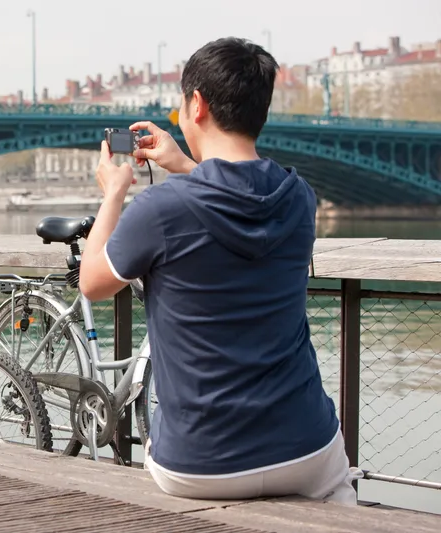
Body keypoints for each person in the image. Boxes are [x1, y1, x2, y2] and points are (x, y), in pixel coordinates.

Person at [79, 37, 361, 505]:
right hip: (305, 444)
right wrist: (186, 165)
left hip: (200, 462)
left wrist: (113, 192)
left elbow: (93, 283)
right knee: (337, 485)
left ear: (197, 104)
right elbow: (235, 203)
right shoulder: (299, 197)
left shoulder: (160, 209)